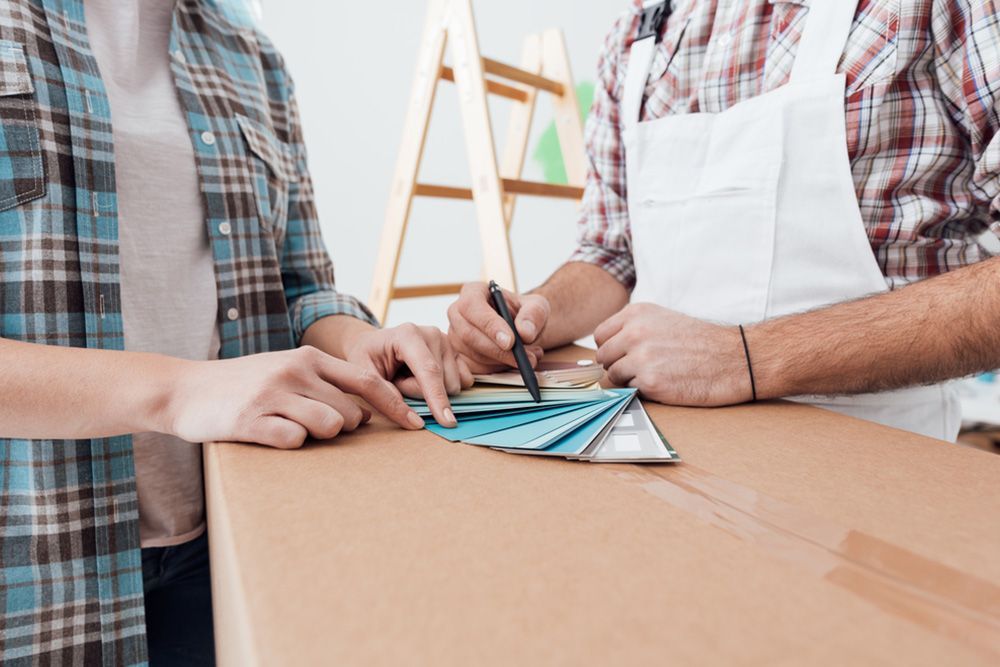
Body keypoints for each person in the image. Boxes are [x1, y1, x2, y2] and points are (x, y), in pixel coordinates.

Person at [0, 0, 468, 664]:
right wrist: (178, 391)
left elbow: (301, 284)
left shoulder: (252, 53)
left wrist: (353, 340)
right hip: (35, 583)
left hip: (227, 548)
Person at [447, 0, 1000, 443]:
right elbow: (611, 254)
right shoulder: (638, 32)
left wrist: (745, 358)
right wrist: (532, 318)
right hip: (664, 458)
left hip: (871, 463)